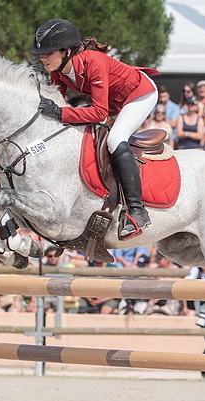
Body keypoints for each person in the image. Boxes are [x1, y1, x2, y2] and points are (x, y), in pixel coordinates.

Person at [30, 19, 159, 239]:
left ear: (67, 51)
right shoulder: (58, 71)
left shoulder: (94, 63)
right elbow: (58, 102)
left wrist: (61, 113)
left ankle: (137, 212)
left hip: (139, 94)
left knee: (115, 139)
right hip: (113, 101)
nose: (43, 57)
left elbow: (98, 113)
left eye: (48, 52)